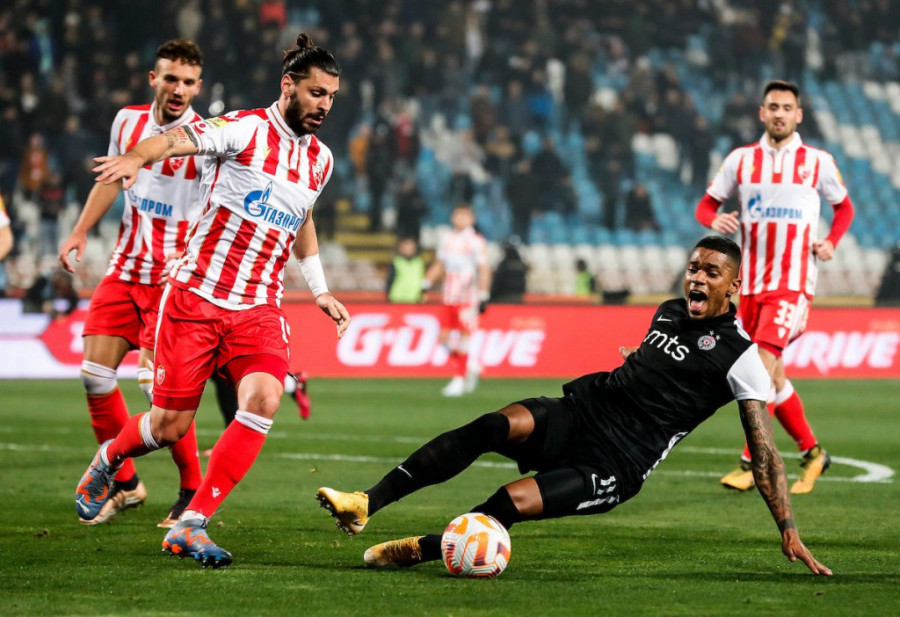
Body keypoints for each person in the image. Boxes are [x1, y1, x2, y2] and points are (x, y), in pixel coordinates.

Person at [316, 236, 832, 577]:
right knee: (493, 425)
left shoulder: (742, 358)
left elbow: (764, 452)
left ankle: (424, 548)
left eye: (712, 272)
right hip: (585, 411)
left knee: (508, 502)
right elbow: (658, 365)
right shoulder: (669, 311)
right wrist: (638, 362)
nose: (697, 278)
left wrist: (787, 528)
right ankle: (366, 503)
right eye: (693, 268)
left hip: (617, 462)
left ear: (734, 286)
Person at [74, 33, 349, 569]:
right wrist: (134, 157)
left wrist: (319, 289)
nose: (324, 105)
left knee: (264, 399)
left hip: (258, 307)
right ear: (287, 85)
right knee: (168, 427)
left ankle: (191, 523)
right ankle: (110, 457)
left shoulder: (321, 160)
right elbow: (174, 141)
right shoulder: (243, 129)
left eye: (332, 97)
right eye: (316, 93)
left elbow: (304, 220)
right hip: (196, 298)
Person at [59, 40, 207, 528]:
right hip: (125, 268)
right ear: (153, 79)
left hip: (170, 280)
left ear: (198, 88)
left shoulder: (204, 140)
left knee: (156, 391)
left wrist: (191, 257)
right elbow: (109, 179)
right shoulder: (127, 121)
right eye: (171, 79)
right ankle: (124, 484)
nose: (179, 89)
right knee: (94, 376)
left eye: (188, 82)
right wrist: (80, 230)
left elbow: (217, 209)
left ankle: (190, 490)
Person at [695, 80, 855, 494]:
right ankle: (814, 453)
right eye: (773, 106)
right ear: (762, 113)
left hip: (792, 285)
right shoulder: (741, 160)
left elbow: (844, 208)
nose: (779, 113)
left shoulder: (817, 162)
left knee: (759, 371)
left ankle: (752, 462)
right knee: (775, 378)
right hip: (750, 286)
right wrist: (713, 220)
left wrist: (831, 241)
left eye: (787, 107)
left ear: (798, 114)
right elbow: (706, 204)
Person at [423, 204, 491, 397]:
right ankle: (470, 365)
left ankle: (459, 379)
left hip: (467, 297)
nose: (460, 218)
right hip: (448, 295)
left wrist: (484, 294)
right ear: (453, 217)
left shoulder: (476, 241)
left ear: (472, 219)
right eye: (457, 215)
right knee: (443, 338)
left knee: (463, 338)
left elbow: (484, 269)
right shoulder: (448, 238)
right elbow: (439, 264)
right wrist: (426, 282)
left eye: (464, 215)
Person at [386, 236, 425, 304]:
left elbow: (423, 280)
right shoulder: (397, 262)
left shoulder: (419, 262)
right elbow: (390, 280)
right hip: (397, 298)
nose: (408, 249)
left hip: (415, 299)